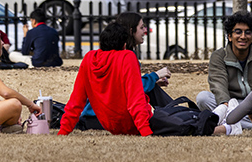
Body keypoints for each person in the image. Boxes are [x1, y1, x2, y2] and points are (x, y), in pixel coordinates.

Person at [58, 22, 224, 137]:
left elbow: (76, 101)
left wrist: (63, 131)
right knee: (190, 119)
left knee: (180, 111)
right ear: (124, 44)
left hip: (111, 125)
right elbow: (135, 99)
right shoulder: (127, 57)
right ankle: (227, 126)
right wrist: (146, 132)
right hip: (134, 122)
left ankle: (223, 118)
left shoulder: (89, 58)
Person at [75, 11, 173, 130]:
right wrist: (155, 76)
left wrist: (153, 81)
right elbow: (126, 89)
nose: (145, 31)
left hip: (92, 116)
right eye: (141, 27)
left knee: (151, 86)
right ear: (131, 31)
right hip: (105, 118)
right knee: (150, 86)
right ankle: (178, 115)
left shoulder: (111, 53)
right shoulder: (125, 56)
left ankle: (178, 114)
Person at [195, 11, 252, 120]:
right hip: (230, 104)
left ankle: (230, 122)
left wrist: (251, 108)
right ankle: (248, 122)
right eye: (238, 32)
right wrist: (226, 104)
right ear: (229, 36)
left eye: (247, 32)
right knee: (203, 98)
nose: (243, 36)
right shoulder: (219, 56)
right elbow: (218, 84)